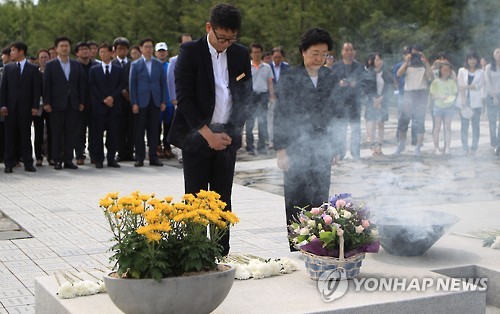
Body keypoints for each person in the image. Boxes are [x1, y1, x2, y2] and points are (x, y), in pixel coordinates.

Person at [168, 3, 253, 256]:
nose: (225, 44)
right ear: (209, 28)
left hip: (227, 136)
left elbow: (245, 97)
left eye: (231, 39)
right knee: (195, 197)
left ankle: (219, 250)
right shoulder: (190, 52)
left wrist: (234, 131)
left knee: (222, 198)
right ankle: (194, 251)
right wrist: (208, 135)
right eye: (221, 38)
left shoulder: (239, 54)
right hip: (197, 135)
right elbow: (184, 99)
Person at [273, 28, 337, 251]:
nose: (319, 58)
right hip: (295, 147)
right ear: (303, 52)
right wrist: (281, 150)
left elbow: (334, 113)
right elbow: (280, 113)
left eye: (324, 54)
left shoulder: (329, 77)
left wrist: (335, 146)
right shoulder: (290, 76)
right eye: (314, 53)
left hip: (321, 148)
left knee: (320, 198)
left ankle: (319, 246)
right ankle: (298, 247)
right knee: (296, 199)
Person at [43, 36, 86, 170]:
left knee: (70, 133)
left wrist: (81, 101)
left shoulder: (76, 64)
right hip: (56, 104)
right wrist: (46, 102)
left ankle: (68, 159)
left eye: (66, 46)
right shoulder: (50, 65)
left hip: (72, 103)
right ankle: (57, 159)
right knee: (56, 133)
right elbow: (46, 85)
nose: (64, 48)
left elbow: (81, 85)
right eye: (61, 46)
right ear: (56, 49)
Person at [0, 41, 41, 173]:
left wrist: (35, 106)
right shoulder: (8, 68)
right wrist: (3, 105)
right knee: (9, 137)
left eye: (13, 50)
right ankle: (9, 163)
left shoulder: (33, 68)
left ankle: (28, 162)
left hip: (26, 108)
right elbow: (3, 89)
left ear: (21, 52)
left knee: (26, 135)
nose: (10, 53)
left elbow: (36, 90)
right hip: (10, 109)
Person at [129, 38, 166, 167]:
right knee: (139, 130)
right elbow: (132, 85)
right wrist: (134, 102)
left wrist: (163, 101)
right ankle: (140, 157)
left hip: (155, 101)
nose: (149, 49)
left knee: (154, 130)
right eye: (146, 47)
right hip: (141, 101)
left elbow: (163, 83)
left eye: (151, 47)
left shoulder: (158, 64)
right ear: (141, 48)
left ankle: (153, 157)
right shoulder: (135, 64)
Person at [89, 43, 125, 168]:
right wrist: (103, 99)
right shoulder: (94, 69)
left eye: (105, 52)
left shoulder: (118, 69)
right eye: (101, 52)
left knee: (113, 135)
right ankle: (99, 159)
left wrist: (112, 97)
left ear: (111, 53)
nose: (103, 54)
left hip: (114, 106)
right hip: (99, 107)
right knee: (97, 135)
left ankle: (111, 158)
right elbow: (92, 87)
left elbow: (121, 85)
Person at [394, 44, 433, 156]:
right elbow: (398, 74)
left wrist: (426, 62)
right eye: (413, 53)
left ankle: (418, 146)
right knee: (403, 120)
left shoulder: (424, 65)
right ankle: (401, 144)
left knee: (419, 121)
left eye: (417, 53)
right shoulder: (407, 65)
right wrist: (407, 61)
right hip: (408, 93)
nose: (415, 56)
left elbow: (430, 77)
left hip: (421, 93)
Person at [331, 42, 363, 161]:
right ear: (342, 52)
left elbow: (364, 81)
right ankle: (340, 152)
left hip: (355, 100)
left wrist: (356, 83)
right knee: (340, 127)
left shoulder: (359, 67)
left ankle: (356, 152)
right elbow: (331, 83)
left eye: (351, 50)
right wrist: (340, 84)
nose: (349, 52)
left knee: (356, 127)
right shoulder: (336, 66)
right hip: (340, 101)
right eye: (346, 50)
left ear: (354, 52)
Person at [166, 33, 193, 164]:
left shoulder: (195, 58)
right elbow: (170, 80)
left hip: (193, 99)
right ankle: (181, 152)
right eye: (185, 42)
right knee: (181, 126)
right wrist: (173, 98)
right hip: (180, 99)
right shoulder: (174, 60)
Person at [245, 43, 274, 155]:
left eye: (258, 52)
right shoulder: (247, 66)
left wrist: (271, 95)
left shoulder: (267, 67)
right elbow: (241, 80)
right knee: (250, 122)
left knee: (263, 122)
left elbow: (270, 82)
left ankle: (261, 146)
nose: (256, 54)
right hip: (251, 96)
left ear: (261, 53)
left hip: (263, 95)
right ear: (251, 53)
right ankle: (250, 146)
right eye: (254, 52)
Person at [361, 52, 391, 156]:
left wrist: (381, 98)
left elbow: (389, 87)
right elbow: (366, 88)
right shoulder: (368, 73)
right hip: (371, 101)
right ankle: (373, 146)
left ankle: (379, 146)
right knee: (371, 123)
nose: (378, 62)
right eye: (376, 60)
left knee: (381, 124)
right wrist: (374, 99)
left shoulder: (386, 73)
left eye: (379, 59)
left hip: (383, 100)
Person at [457, 52, 484, 156]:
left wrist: (467, 86)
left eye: (474, 59)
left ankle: (474, 148)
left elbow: (479, 86)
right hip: (464, 102)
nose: (472, 61)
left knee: (475, 126)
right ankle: (464, 148)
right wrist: (463, 99)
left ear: (477, 60)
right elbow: (460, 86)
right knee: (464, 126)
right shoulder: (461, 71)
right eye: (470, 59)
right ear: (467, 60)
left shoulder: (481, 72)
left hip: (476, 103)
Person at [112, 37, 135, 162]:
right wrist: (121, 91)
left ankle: (129, 152)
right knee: (119, 129)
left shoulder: (132, 64)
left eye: (124, 49)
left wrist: (130, 93)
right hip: (117, 101)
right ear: (114, 50)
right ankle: (120, 152)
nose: (122, 51)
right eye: (119, 49)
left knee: (131, 128)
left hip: (130, 101)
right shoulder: (112, 64)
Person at [74, 41, 97, 165]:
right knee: (79, 131)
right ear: (77, 53)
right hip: (79, 104)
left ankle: (93, 154)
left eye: (87, 49)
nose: (85, 51)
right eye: (82, 49)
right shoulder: (74, 66)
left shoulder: (96, 66)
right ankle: (79, 154)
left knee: (94, 130)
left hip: (94, 103)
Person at [429, 62, 458, 155]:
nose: (446, 72)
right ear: (440, 70)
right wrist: (440, 97)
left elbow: (454, 94)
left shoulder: (452, 82)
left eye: (448, 70)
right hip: (438, 107)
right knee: (437, 127)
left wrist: (450, 98)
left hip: (449, 107)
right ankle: (436, 148)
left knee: (447, 127)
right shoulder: (435, 82)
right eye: (444, 70)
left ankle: (447, 147)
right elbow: (432, 96)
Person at [154, 41, 175, 159]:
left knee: (168, 126)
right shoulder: (153, 66)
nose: (162, 54)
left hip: (169, 103)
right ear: (156, 53)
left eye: (163, 51)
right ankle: (157, 147)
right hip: (157, 102)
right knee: (156, 126)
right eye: (159, 52)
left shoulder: (170, 66)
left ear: (167, 52)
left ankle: (167, 146)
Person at [33, 49, 53, 166]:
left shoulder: (52, 72)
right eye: (41, 57)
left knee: (51, 132)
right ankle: (39, 156)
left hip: (50, 107)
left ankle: (51, 156)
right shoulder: (35, 73)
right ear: (38, 60)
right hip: (38, 107)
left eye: (46, 57)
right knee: (38, 132)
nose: (44, 60)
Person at [484, 48, 500, 153]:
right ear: (493, 55)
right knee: (492, 121)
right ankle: (493, 143)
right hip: (491, 96)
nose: (499, 54)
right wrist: (494, 96)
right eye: (497, 52)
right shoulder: (489, 67)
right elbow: (487, 82)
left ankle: (499, 143)